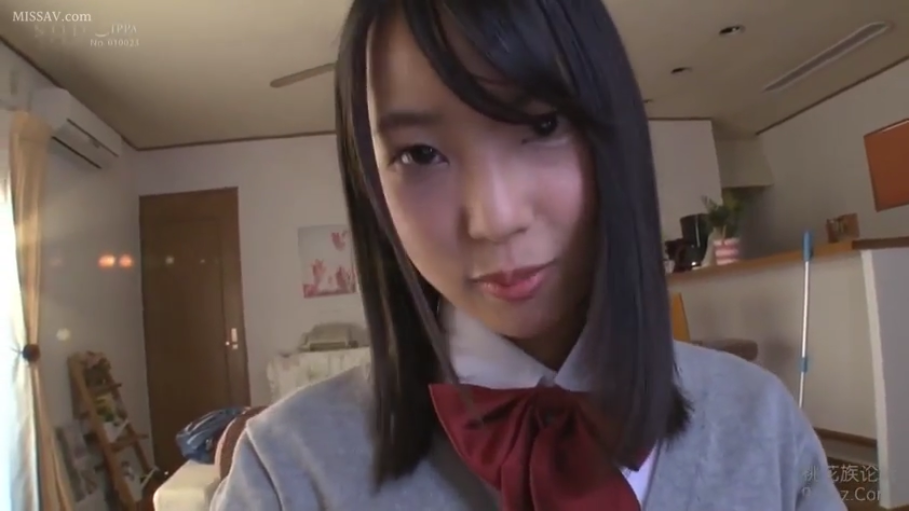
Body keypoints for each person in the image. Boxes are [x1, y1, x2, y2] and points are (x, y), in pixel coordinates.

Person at [211, 0, 844, 509]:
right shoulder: (287, 471)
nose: (494, 218)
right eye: (420, 154)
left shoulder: (761, 421)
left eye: (543, 125)